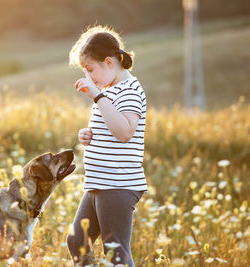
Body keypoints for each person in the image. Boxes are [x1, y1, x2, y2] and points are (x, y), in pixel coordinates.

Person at [66, 25, 148, 267]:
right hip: (98, 182)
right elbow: (110, 127)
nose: (89, 77)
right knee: (77, 241)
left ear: (109, 62)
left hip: (118, 184)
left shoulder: (129, 91)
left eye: (91, 70)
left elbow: (124, 132)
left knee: (116, 253)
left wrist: (98, 96)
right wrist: (88, 135)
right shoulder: (109, 90)